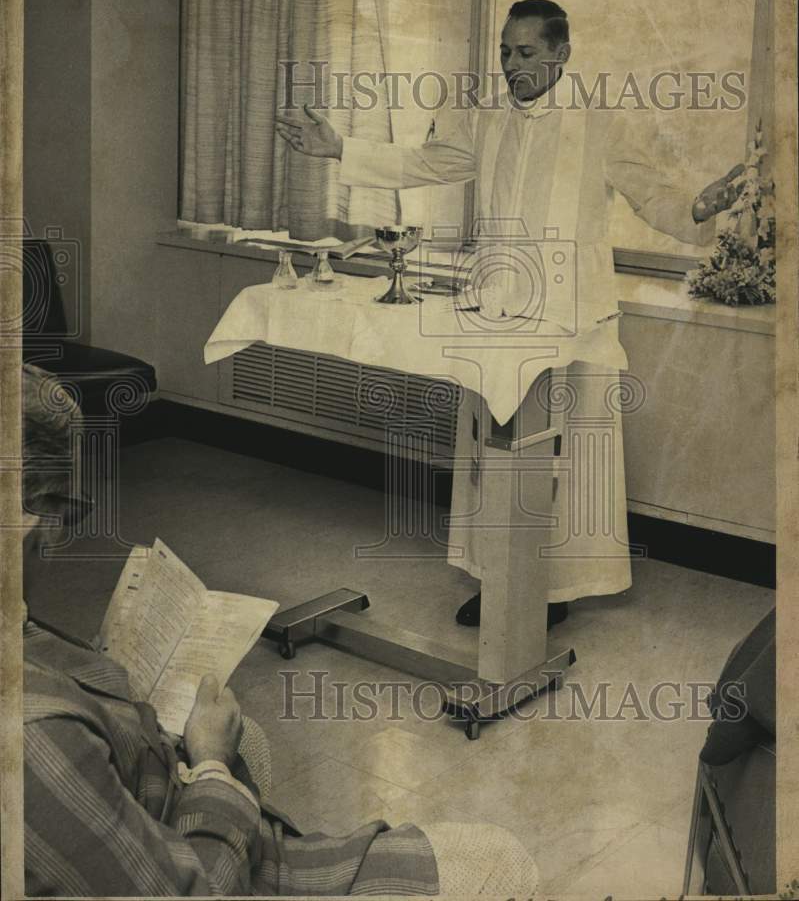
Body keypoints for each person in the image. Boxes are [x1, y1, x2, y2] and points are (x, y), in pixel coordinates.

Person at [276, 0, 744, 629]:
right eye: (504, 51)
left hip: (571, 320)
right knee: (491, 451)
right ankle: (497, 578)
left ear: (561, 54)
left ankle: (554, 588)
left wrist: (698, 207)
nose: (511, 64)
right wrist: (341, 150)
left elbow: (653, 193)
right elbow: (423, 163)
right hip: (498, 314)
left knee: (566, 458)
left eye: (525, 52)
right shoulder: (485, 120)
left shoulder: (597, 124)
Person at [20, 362, 538, 897]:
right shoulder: (31, 743)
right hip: (223, 864)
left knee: (256, 744)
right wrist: (215, 767)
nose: (59, 536)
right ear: (34, 516)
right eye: (66, 509)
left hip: (172, 818)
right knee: (499, 862)